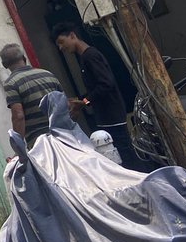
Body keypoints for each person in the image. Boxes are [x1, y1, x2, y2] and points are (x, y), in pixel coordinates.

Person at [52, 23, 138, 168]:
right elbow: (97, 87)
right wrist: (81, 100)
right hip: (106, 116)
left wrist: (85, 101)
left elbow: (106, 84)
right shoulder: (84, 58)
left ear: (72, 35)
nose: (61, 48)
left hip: (112, 114)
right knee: (115, 154)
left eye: (61, 42)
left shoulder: (90, 56)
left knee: (123, 153)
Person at [0, 43, 63, 147]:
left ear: (4, 65)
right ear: (24, 58)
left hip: (39, 141)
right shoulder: (48, 74)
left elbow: (18, 116)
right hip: (63, 134)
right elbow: (66, 105)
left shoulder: (11, 83)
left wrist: (18, 146)